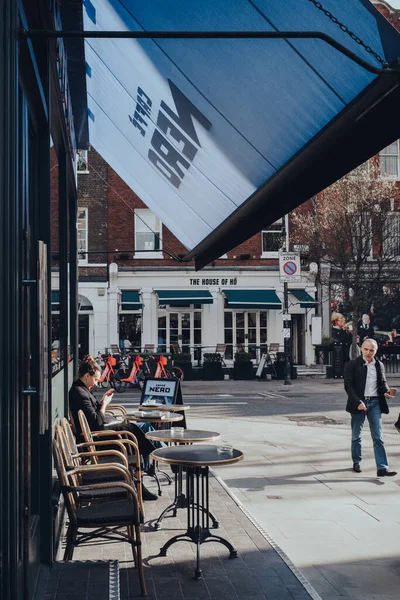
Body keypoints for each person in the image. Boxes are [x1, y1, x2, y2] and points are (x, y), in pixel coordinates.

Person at [69, 355, 159, 500]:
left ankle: (146, 468)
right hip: (97, 440)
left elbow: (94, 415)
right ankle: (155, 458)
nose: (97, 383)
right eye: (96, 379)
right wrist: (104, 405)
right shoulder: (80, 393)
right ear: (86, 376)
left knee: (140, 427)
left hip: (98, 433)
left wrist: (102, 402)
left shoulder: (81, 389)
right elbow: (97, 422)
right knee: (135, 430)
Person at [344, 339, 397, 477]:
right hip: (359, 403)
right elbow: (348, 386)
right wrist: (357, 402)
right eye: (366, 349)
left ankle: (382, 467)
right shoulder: (352, 365)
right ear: (361, 349)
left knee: (378, 437)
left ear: (376, 351)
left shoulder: (379, 365)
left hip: (374, 403)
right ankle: (356, 461)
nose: (368, 352)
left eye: (371, 350)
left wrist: (386, 392)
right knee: (356, 436)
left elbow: (382, 382)